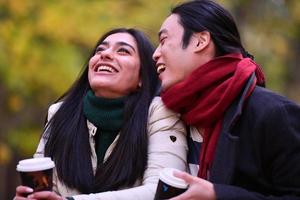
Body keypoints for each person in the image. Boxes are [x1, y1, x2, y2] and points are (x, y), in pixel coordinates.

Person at [14, 28, 187, 200]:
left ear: (142, 77)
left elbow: (162, 191)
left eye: (123, 51)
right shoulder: (59, 113)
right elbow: (45, 187)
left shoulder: (160, 112)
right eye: (100, 50)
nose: (105, 55)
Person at [152, 0, 300, 199]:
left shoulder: (273, 114)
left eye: (163, 40)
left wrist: (218, 194)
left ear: (200, 41)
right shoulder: (164, 115)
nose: (155, 54)